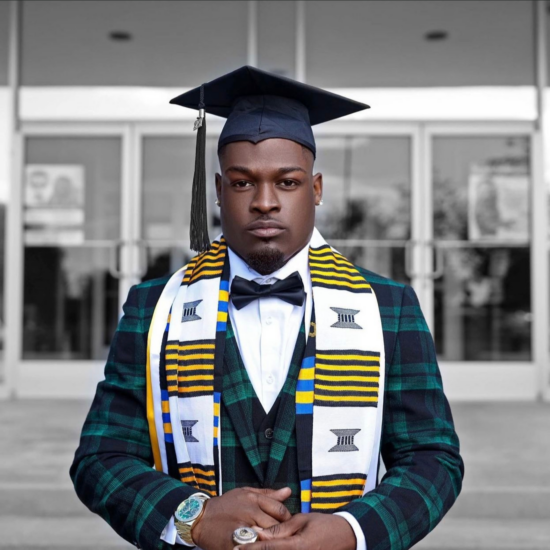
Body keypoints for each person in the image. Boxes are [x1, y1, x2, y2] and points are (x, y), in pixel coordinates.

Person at [70, 66, 463, 550]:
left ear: (316, 190)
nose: (264, 202)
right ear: (217, 191)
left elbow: (432, 458)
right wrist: (193, 515)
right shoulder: (156, 308)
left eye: (288, 182)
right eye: (241, 183)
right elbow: (100, 457)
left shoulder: (388, 307)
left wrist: (352, 531)